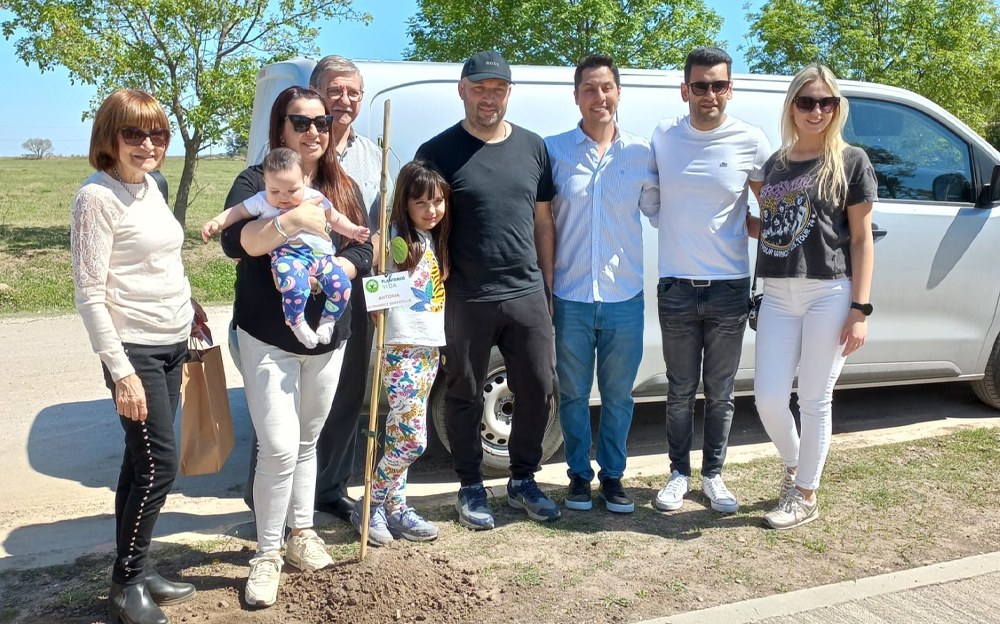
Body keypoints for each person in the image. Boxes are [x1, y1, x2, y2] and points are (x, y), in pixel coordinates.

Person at [220, 86, 371, 607]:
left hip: (328, 337)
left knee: (308, 440)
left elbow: (363, 249)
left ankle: (301, 532)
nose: (313, 132)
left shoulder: (340, 185)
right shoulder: (257, 181)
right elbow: (237, 243)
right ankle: (267, 553)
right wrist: (291, 221)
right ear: (280, 128)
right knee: (278, 446)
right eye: (300, 122)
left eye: (321, 122)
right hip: (268, 337)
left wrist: (334, 268)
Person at [71, 88, 203, 624]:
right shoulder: (95, 198)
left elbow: (163, 260)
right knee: (159, 467)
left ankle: (139, 568)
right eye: (134, 134)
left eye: (158, 134)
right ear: (110, 137)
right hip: (134, 351)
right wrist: (121, 371)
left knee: (138, 462)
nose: (148, 144)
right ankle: (126, 586)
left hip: (172, 342)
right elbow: (89, 295)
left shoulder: (154, 186)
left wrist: (190, 307)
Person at [416, 50, 560, 530]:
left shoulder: (533, 148)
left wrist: (547, 284)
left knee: (539, 386)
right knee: (464, 392)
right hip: (465, 295)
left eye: (497, 89)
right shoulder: (436, 151)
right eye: (479, 88)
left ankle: (523, 480)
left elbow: (543, 220)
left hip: (526, 292)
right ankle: (471, 486)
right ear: (462, 90)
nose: (488, 98)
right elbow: (421, 222)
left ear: (509, 93)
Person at [650, 47, 772, 514]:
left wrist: (764, 235)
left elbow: (770, 212)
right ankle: (678, 474)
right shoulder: (664, 136)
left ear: (730, 89)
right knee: (680, 390)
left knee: (721, 392)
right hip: (676, 286)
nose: (710, 94)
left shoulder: (751, 140)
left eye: (718, 85)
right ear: (685, 90)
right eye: (700, 85)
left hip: (729, 287)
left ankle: (714, 475)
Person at [754, 63, 876, 530]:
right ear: (792, 107)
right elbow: (777, 229)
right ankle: (795, 469)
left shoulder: (851, 161)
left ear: (837, 107)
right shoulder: (776, 164)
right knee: (768, 398)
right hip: (777, 292)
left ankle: (805, 495)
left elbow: (861, 238)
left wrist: (859, 310)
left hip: (830, 291)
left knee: (813, 398)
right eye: (807, 101)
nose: (816, 110)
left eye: (826, 102)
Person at [543, 54, 658, 514]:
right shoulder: (553, 151)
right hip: (570, 295)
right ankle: (577, 475)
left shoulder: (641, 154)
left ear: (619, 93)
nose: (599, 97)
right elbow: (540, 219)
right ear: (576, 97)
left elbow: (662, 212)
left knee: (618, 396)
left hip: (623, 296)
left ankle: (612, 477)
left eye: (606, 87)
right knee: (572, 394)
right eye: (589, 89)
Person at [351, 160, 451, 545]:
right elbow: (371, 267)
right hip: (401, 349)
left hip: (428, 348)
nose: (431, 209)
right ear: (404, 203)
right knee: (413, 439)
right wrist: (375, 297)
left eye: (437, 201)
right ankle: (371, 502)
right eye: (421, 202)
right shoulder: (395, 237)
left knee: (398, 432)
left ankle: (396, 508)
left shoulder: (434, 240)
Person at [309, 55, 386, 522]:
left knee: (347, 393)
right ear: (316, 93)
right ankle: (274, 502)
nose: (344, 100)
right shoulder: (293, 148)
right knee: (294, 396)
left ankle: (330, 488)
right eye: (334, 91)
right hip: (301, 293)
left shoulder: (376, 157)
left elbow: (385, 227)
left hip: (357, 291)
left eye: (353, 92)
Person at [203, 147, 369, 348]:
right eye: (275, 191)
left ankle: (328, 319)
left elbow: (335, 218)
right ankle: (296, 322)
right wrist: (217, 222)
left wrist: (353, 230)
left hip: (321, 254)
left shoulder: (313, 197)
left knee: (342, 286)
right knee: (294, 285)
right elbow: (236, 212)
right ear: (265, 183)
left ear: (304, 181)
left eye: (292, 190)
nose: (283, 197)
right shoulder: (262, 200)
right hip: (289, 255)